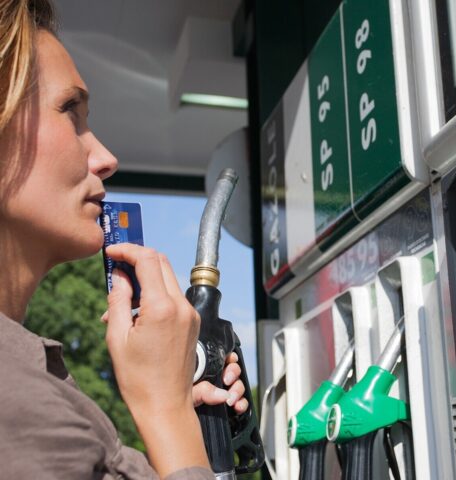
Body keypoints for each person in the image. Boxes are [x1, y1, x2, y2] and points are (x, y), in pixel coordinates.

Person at [0, 0, 248, 478]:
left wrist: (179, 425)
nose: (107, 157)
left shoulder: (34, 382)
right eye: (71, 112)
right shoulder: (16, 405)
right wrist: (166, 409)